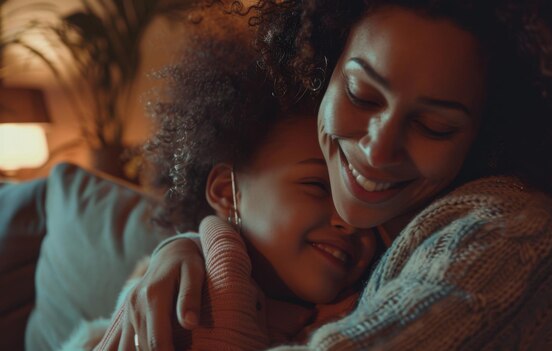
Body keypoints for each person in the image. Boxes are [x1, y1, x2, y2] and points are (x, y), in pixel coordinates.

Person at [104, 0, 552, 349]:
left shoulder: (513, 236)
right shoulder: (383, 234)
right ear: (324, 73)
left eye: (433, 125)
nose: (378, 149)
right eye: (361, 95)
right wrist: (199, 246)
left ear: (487, 136)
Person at [92, 34, 380, 351]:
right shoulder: (172, 294)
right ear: (226, 192)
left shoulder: (373, 308)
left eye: (359, 194)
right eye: (316, 185)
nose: (349, 220)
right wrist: (188, 247)